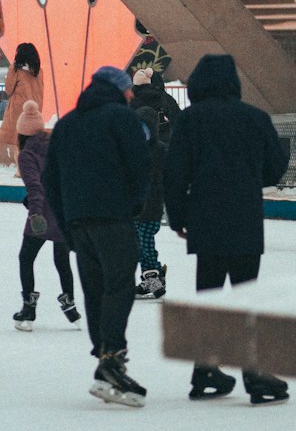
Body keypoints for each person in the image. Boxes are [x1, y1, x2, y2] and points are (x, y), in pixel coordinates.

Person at [165, 53, 289, 406]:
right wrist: (252, 180)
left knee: (210, 292)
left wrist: (178, 218)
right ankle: (256, 374)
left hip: (204, 220)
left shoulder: (190, 121)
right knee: (247, 295)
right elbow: (277, 165)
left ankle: (205, 370)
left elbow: (174, 174)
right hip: (245, 217)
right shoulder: (255, 118)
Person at [44, 66, 149, 407]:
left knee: (94, 290)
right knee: (119, 286)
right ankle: (112, 360)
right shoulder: (122, 118)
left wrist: (67, 222)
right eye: (128, 89)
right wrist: (133, 205)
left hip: (78, 223)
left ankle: (105, 358)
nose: (132, 94)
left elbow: (51, 180)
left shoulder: (67, 124)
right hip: (113, 218)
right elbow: (139, 167)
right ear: (118, 89)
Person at [12, 100, 80, 329]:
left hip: (41, 214)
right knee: (62, 260)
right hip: (61, 211)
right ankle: (70, 304)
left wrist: (35, 213)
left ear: (22, 133)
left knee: (25, 258)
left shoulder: (27, 155)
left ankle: (29, 308)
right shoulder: (55, 146)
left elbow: (35, 187)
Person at [129, 94, 169, 301]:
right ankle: (151, 278)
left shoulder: (160, 151)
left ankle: (154, 278)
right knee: (139, 244)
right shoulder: (132, 150)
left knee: (144, 243)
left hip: (152, 207)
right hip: (135, 208)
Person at [0, 43, 44, 162]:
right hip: (35, 108)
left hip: (18, 109)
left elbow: (8, 89)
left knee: (18, 141)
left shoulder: (16, 70)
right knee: (32, 141)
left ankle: (21, 169)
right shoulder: (38, 71)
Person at [130, 65, 181, 144]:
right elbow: (177, 116)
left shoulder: (130, 99)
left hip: (137, 141)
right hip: (163, 139)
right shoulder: (163, 97)